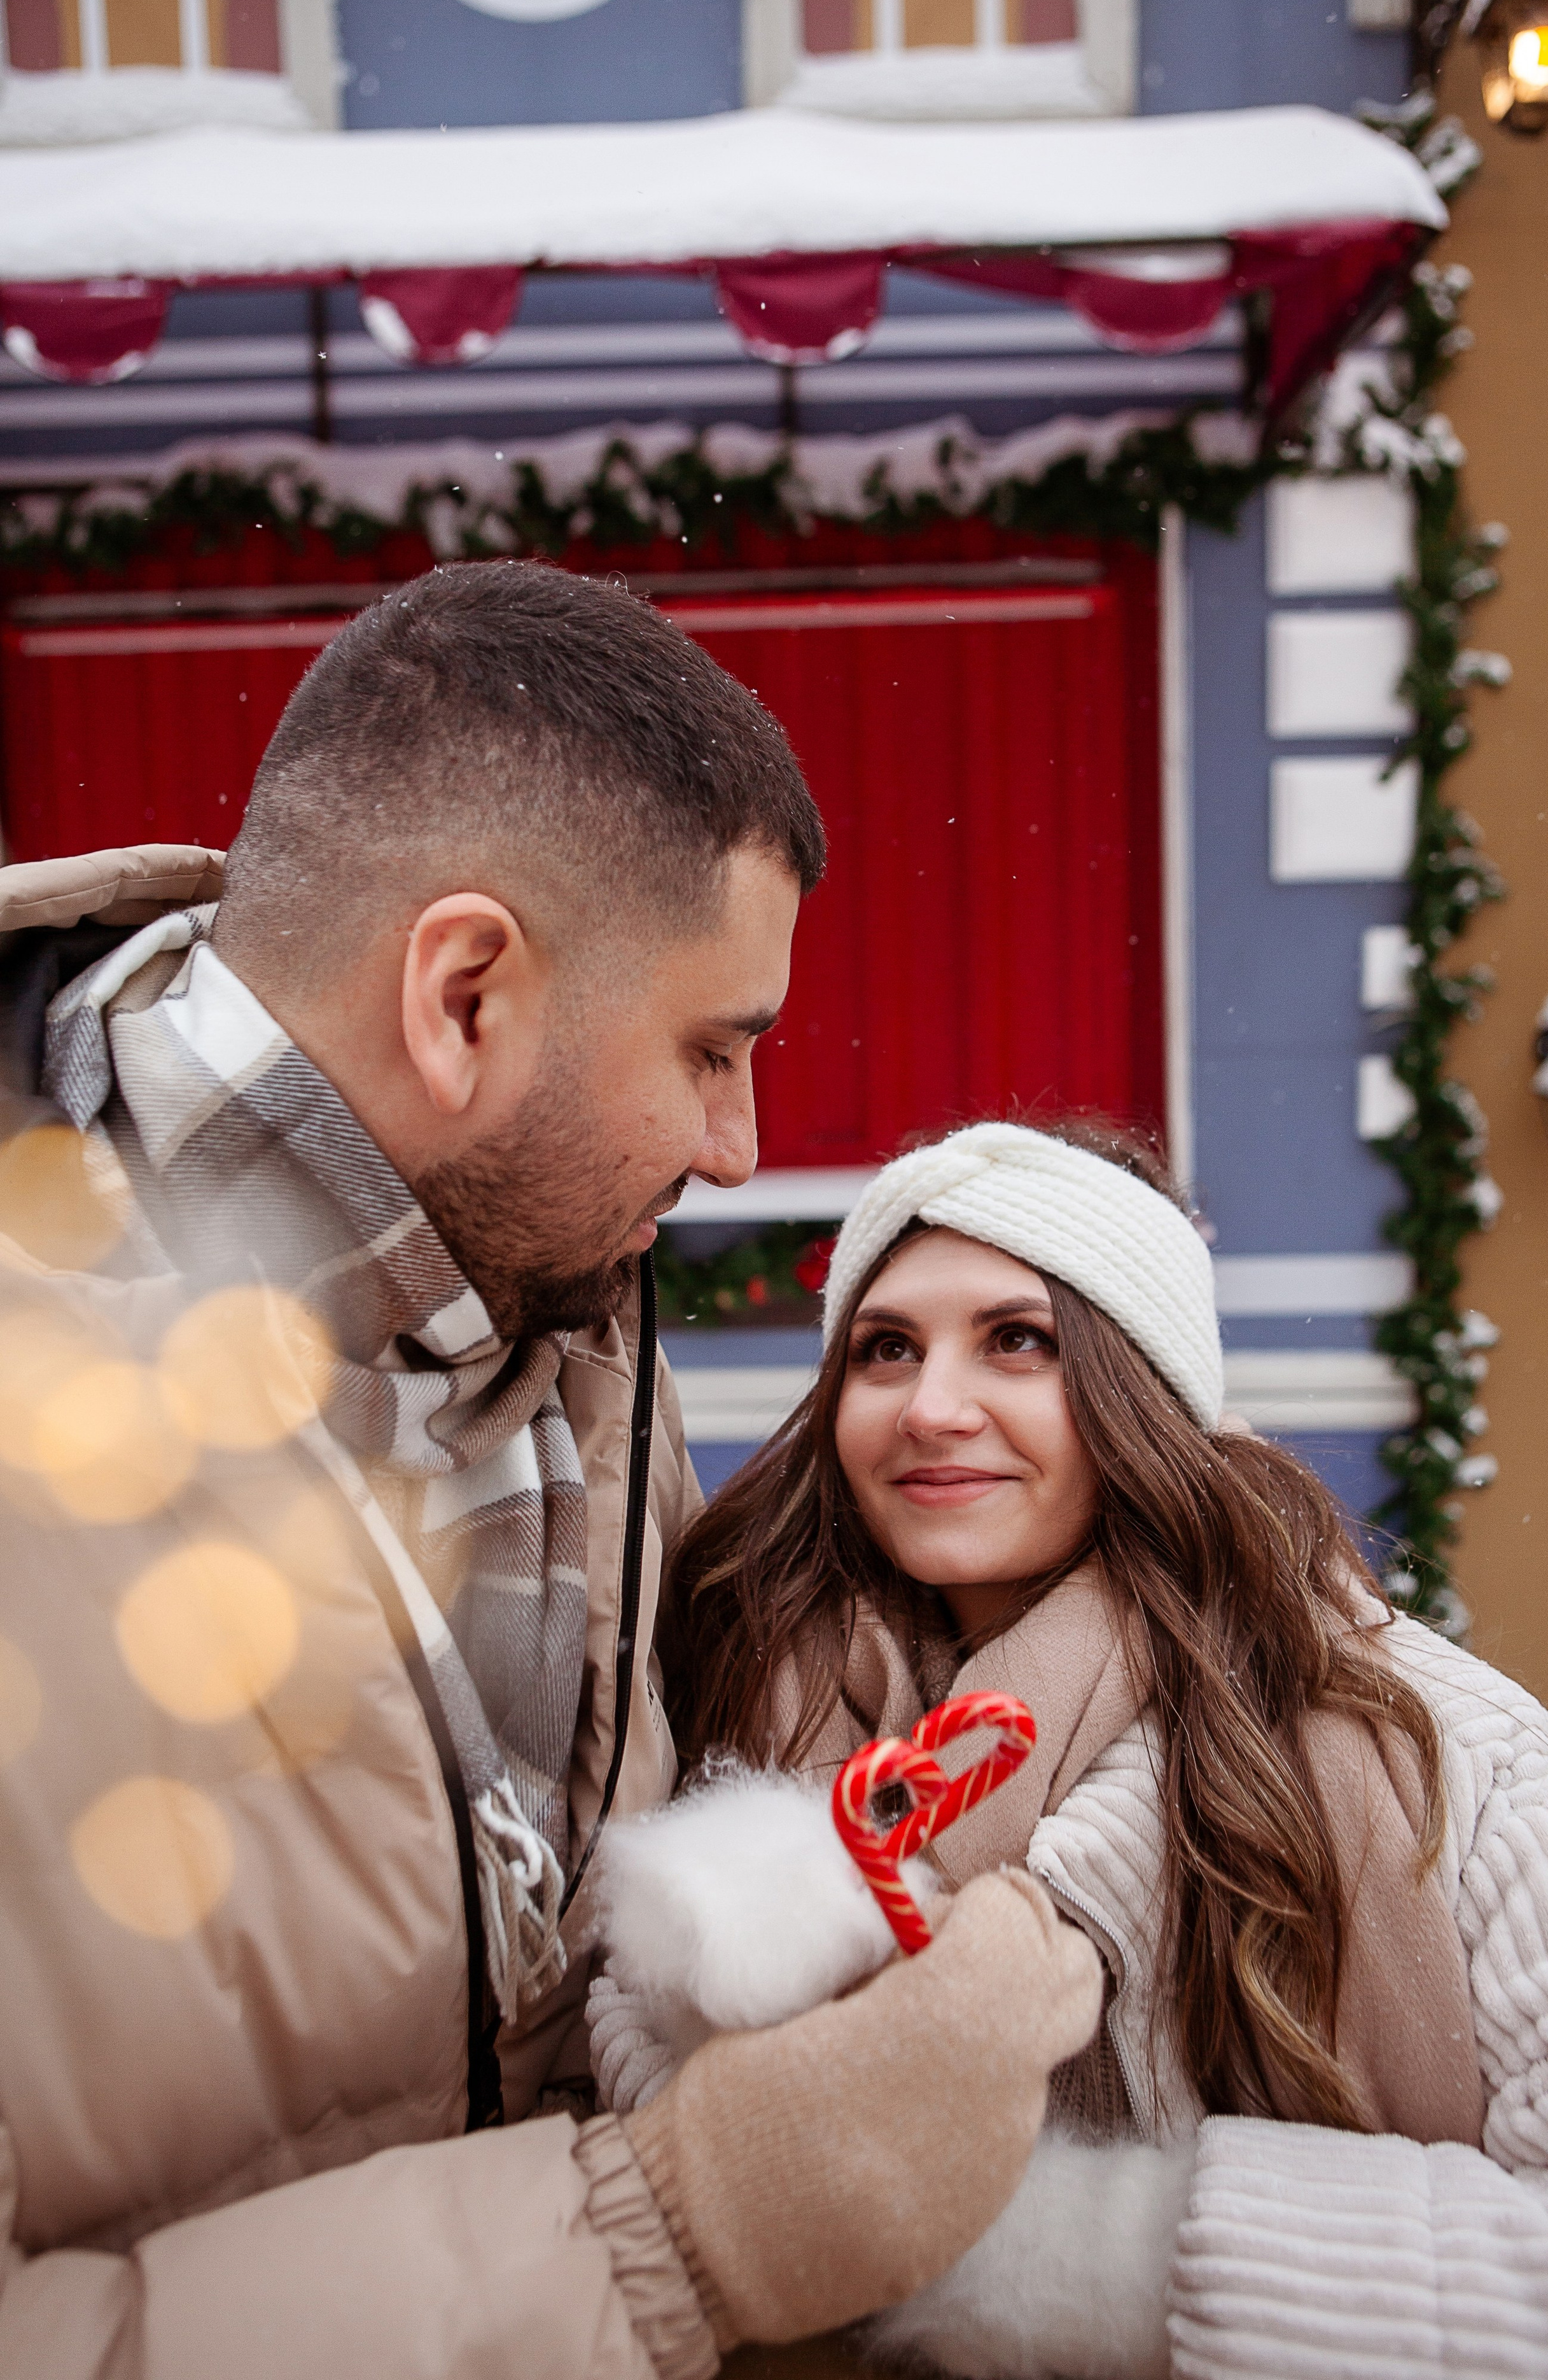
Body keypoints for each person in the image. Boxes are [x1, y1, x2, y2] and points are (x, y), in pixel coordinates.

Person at [0, 564, 1103, 2377]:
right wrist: (683, 2235)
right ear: (465, 997)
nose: (743, 1150)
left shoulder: (558, 1294)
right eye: (712, 1050)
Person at [627, 1115, 1548, 2376]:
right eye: (884, 1349)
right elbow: (612, 2079)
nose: (931, 1408)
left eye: (1018, 1342)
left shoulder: (1453, 1766)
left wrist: (1067, 2251)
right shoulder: (749, 1699)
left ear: (1139, 1392)